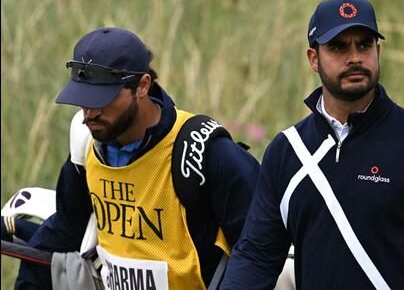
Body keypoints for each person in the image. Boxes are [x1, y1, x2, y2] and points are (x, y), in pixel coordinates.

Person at [221, 0, 404, 289]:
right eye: (339, 47)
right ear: (313, 59)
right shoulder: (287, 152)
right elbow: (257, 256)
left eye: (364, 44)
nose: (355, 57)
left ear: (378, 51)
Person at [15, 27, 260, 290]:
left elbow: (258, 251)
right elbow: (65, 227)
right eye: (82, 100)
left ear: (142, 85)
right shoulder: (86, 141)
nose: (89, 114)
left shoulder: (204, 153)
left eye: (102, 99)